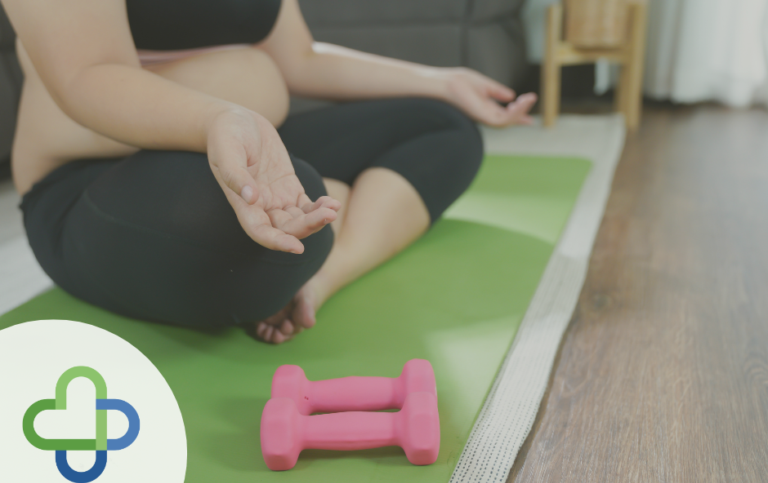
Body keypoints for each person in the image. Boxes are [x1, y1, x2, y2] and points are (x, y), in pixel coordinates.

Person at [3, 0, 536, 343]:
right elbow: (88, 76)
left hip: (234, 132)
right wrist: (220, 111)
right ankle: (331, 211)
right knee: (282, 215)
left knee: (440, 126)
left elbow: (297, 57)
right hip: (92, 178)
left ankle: (324, 275)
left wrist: (440, 81)